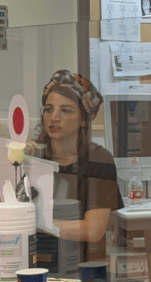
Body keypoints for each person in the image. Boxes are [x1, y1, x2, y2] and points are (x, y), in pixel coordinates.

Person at [34, 70, 123, 266]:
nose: (54, 117)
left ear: (83, 119)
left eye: (65, 110)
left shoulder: (100, 160)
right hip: (34, 264)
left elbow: (93, 230)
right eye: (48, 109)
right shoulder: (32, 155)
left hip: (83, 269)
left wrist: (34, 223)